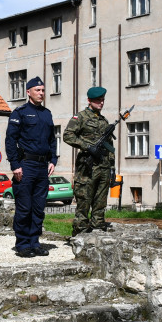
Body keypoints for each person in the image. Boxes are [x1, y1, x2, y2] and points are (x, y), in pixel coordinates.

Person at [5, 77, 57, 258]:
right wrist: (15, 165)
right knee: (24, 207)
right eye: (38, 90)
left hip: (42, 166)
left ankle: (35, 242)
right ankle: (22, 244)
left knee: (38, 207)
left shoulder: (47, 114)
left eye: (43, 90)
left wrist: (53, 160)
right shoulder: (20, 113)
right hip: (25, 166)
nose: (41, 93)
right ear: (28, 92)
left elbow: (52, 139)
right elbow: (10, 140)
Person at [63, 86, 113, 235]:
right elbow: (68, 135)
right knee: (84, 201)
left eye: (102, 100)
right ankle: (80, 235)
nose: (101, 103)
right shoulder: (81, 117)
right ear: (89, 101)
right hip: (87, 167)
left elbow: (110, 146)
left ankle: (97, 233)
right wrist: (87, 147)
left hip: (103, 166)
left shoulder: (104, 121)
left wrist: (112, 168)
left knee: (100, 202)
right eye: (98, 100)